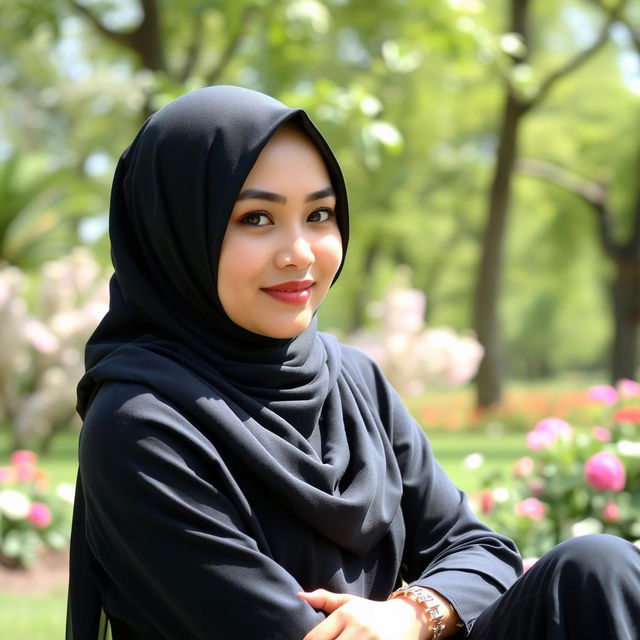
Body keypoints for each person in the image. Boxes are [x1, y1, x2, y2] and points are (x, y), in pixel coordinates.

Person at [66, 85, 640, 640]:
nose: (300, 252)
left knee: (597, 569)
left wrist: (413, 613)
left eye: (319, 215)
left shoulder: (351, 379)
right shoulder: (140, 426)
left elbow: (480, 550)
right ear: (175, 235)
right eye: (256, 219)